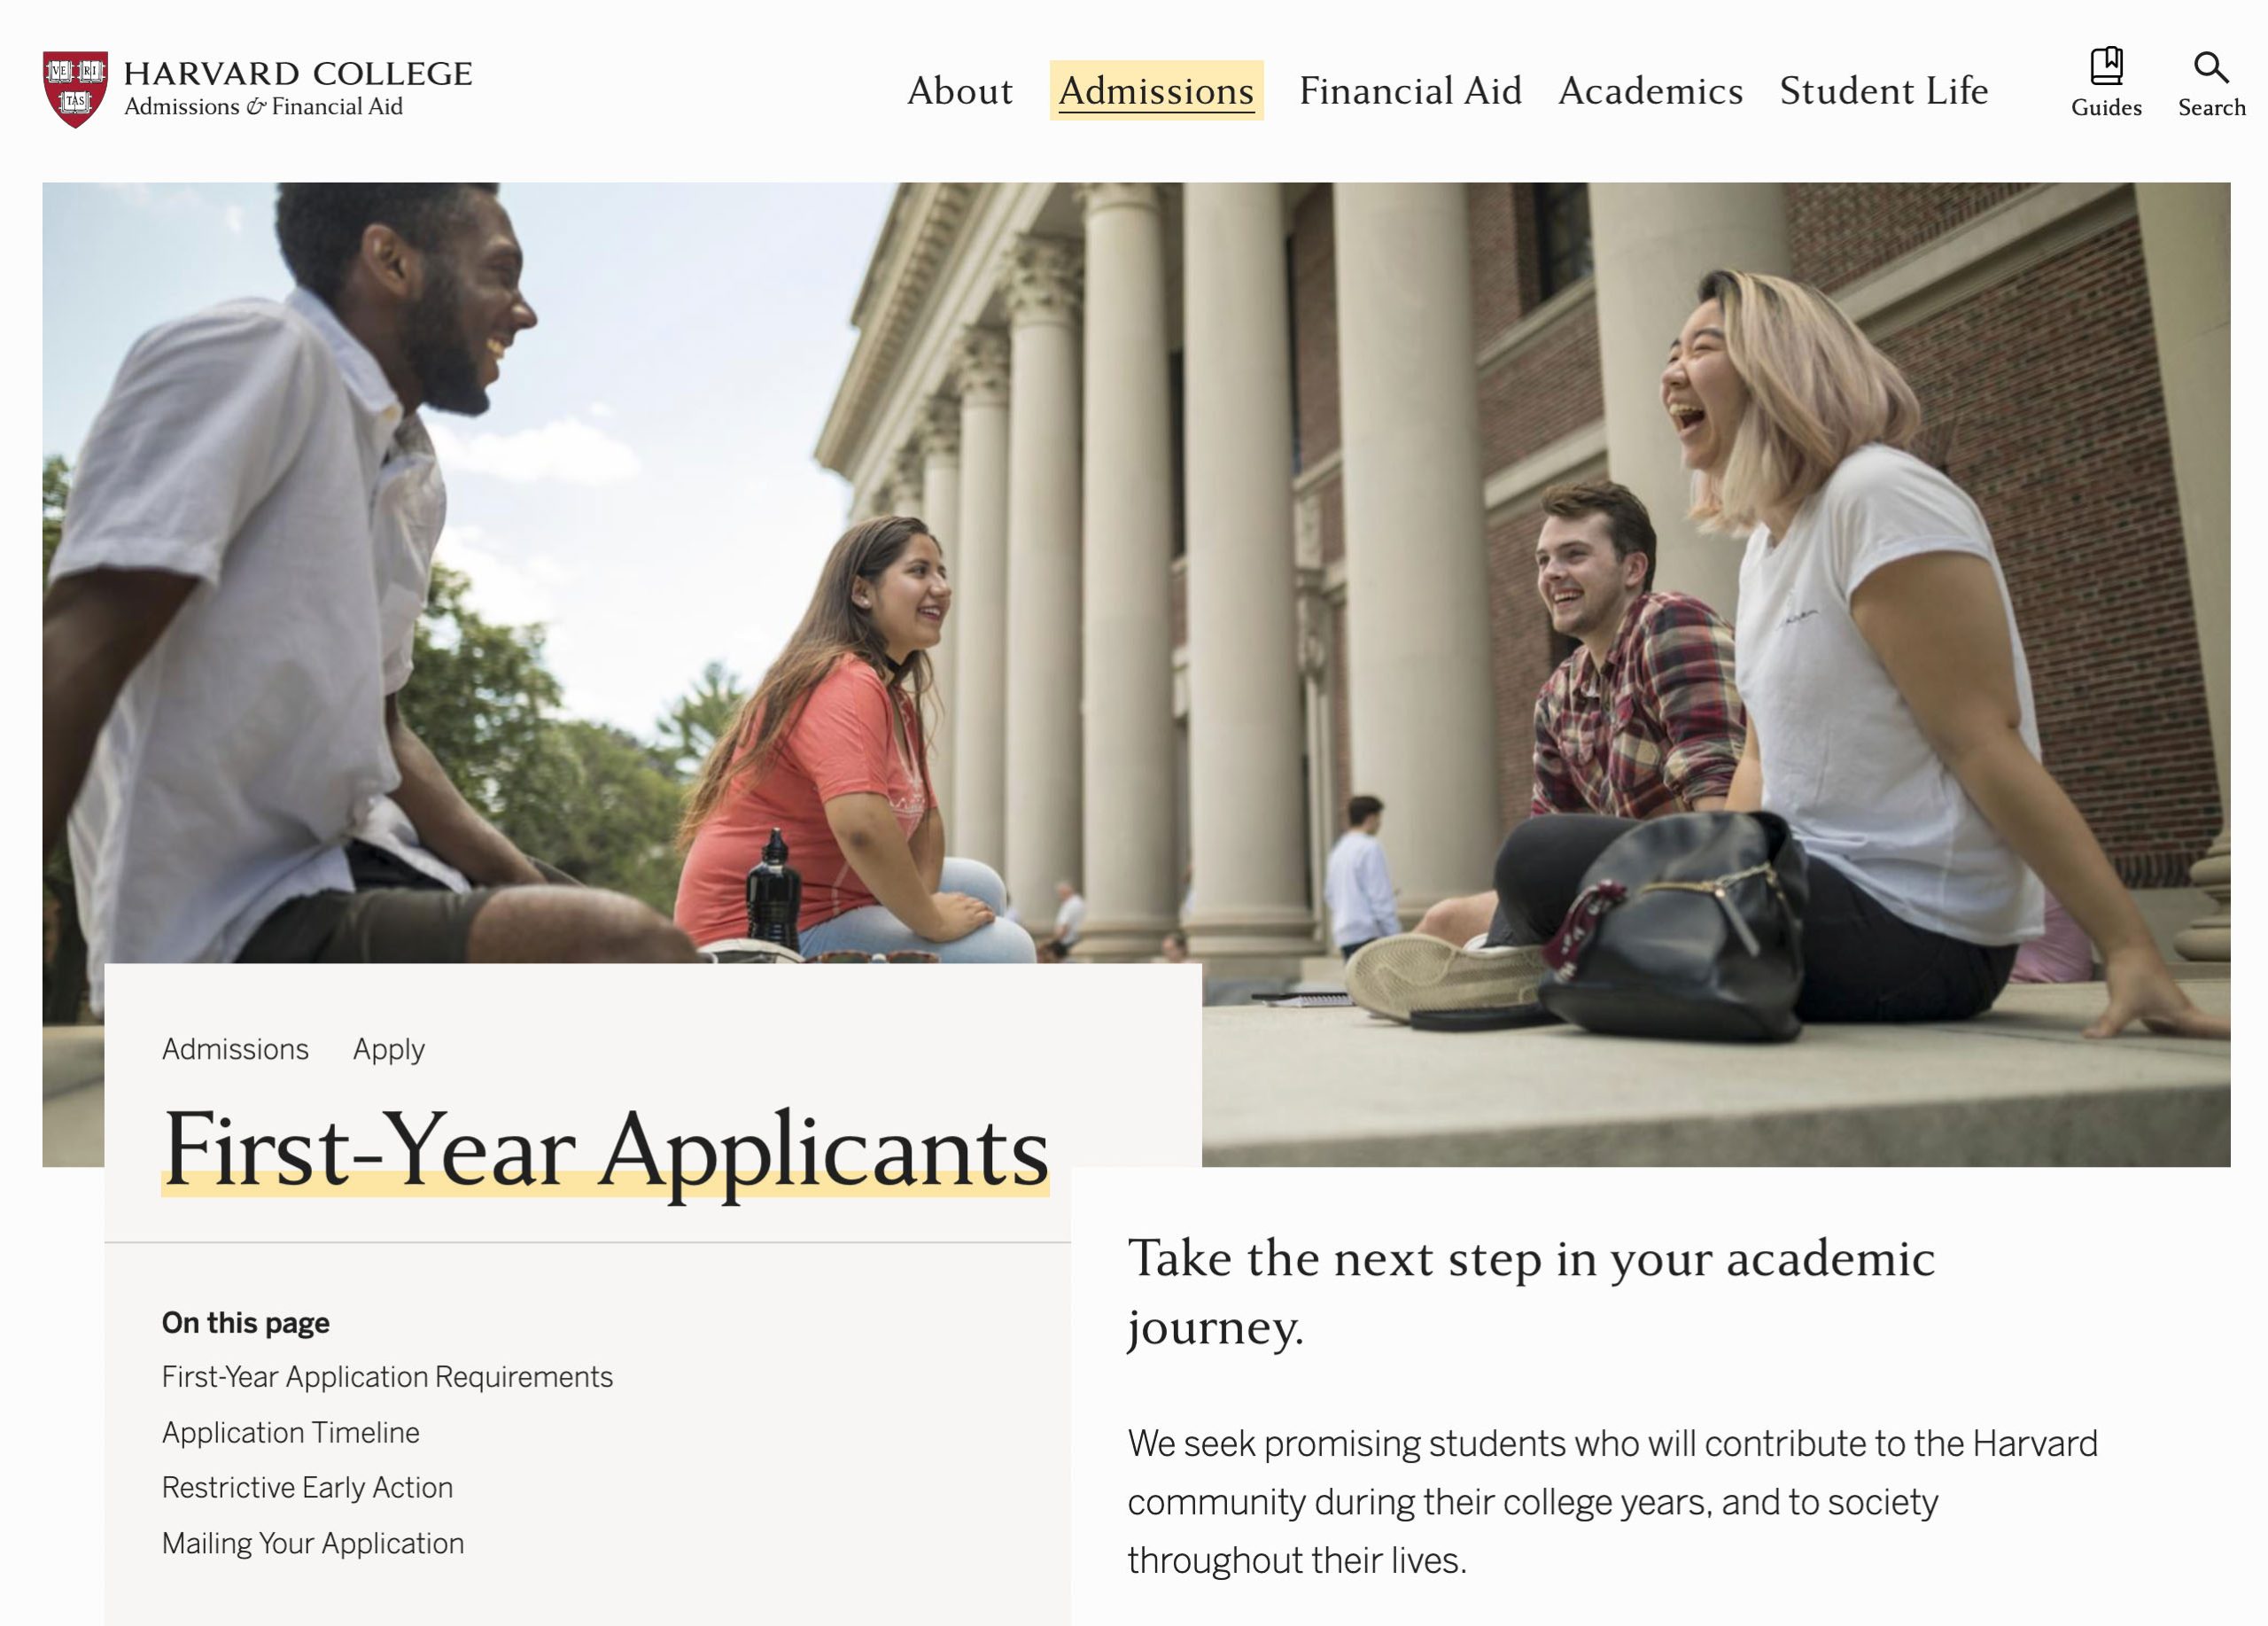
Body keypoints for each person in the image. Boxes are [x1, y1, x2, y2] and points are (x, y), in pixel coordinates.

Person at [1478, 268, 2223, 1039]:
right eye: (1671, 352)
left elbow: (1982, 739)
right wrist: (1708, 876)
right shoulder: (1768, 549)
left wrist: (2128, 945)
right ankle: (1545, 961)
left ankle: (1547, 964)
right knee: (1537, 858)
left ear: (1781, 367)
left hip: (1923, 930)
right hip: (1798, 884)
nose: (1671, 371)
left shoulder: (1879, 496)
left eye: (1703, 347)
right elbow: (1759, 769)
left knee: (1544, 857)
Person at [43, 183, 695, 1006]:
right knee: (623, 952)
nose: (523, 313)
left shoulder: (408, 470)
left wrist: (526, 881)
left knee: (670, 949)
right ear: (391, 260)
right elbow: (73, 647)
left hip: (357, 866)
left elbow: (382, 731)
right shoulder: (262, 352)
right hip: (230, 928)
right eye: (501, 273)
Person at [1346, 484, 1744, 1019]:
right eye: (1543, 560)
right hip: (1612, 897)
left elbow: (1724, 810)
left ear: (1633, 569)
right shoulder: (1559, 693)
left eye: (1574, 555)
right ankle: (1528, 964)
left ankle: (1523, 965)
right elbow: (1550, 863)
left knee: (1533, 851)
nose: (1552, 573)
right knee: (1446, 917)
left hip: (1702, 882)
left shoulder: (1670, 623)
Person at [673, 515, 1034, 964]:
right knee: (1005, 949)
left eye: (942, 572)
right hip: (759, 931)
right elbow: (862, 827)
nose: (941, 587)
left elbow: (926, 823)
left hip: (831, 898)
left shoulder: (894, 699)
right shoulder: (843, 681)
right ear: (862, 592)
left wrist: (917, 911)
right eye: (919, 571)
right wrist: (930, 921)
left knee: (981, 885)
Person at [1324, 796, 1400, 959]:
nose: (1380, 824)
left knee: (1355, 983)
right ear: (1371, 818)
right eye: (1379, 819)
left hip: (1345, 934)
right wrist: (1395, 936)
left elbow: (1330, 895)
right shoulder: (1370, 847)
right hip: (1369, 934)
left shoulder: (1338, 851)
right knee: (1377, 985)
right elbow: (1380, 896)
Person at [1050, 880, 1087, 953]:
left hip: (1067, 944)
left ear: (1064, 892)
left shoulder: (1068, 905)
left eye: (1059, 893)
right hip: (1079, 941)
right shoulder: (1081, 902)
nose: (1059, 896)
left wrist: (1052, 943)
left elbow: (1063, 928)